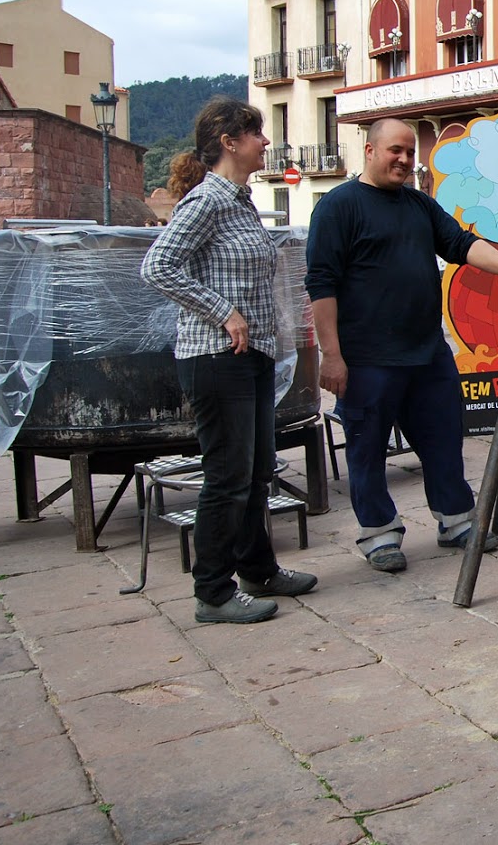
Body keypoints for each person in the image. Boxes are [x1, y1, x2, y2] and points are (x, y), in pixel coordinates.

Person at [306, 118, 498, 573]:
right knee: (366, 449)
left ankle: (455, 521)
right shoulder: (337, 208)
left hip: (427, 352)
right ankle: (380, 534)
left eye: (411, 153)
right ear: (369, 151)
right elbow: (321, 285)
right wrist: (331, 355)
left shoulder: (418, 205)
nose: (406, 161)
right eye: (396, 151)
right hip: (367, 359)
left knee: (445, 439)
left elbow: (462, 244)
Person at [140, 98, 318, 624]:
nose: (265, 141)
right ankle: (212, 593)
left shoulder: (239, 201)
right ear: (229, 141)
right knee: (229, 476)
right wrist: (224, 313)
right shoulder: (206, 201)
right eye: (257, 132)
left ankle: (258, 571)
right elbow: (158, 265)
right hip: (216, 358)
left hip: (252, 357)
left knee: (258, 471)